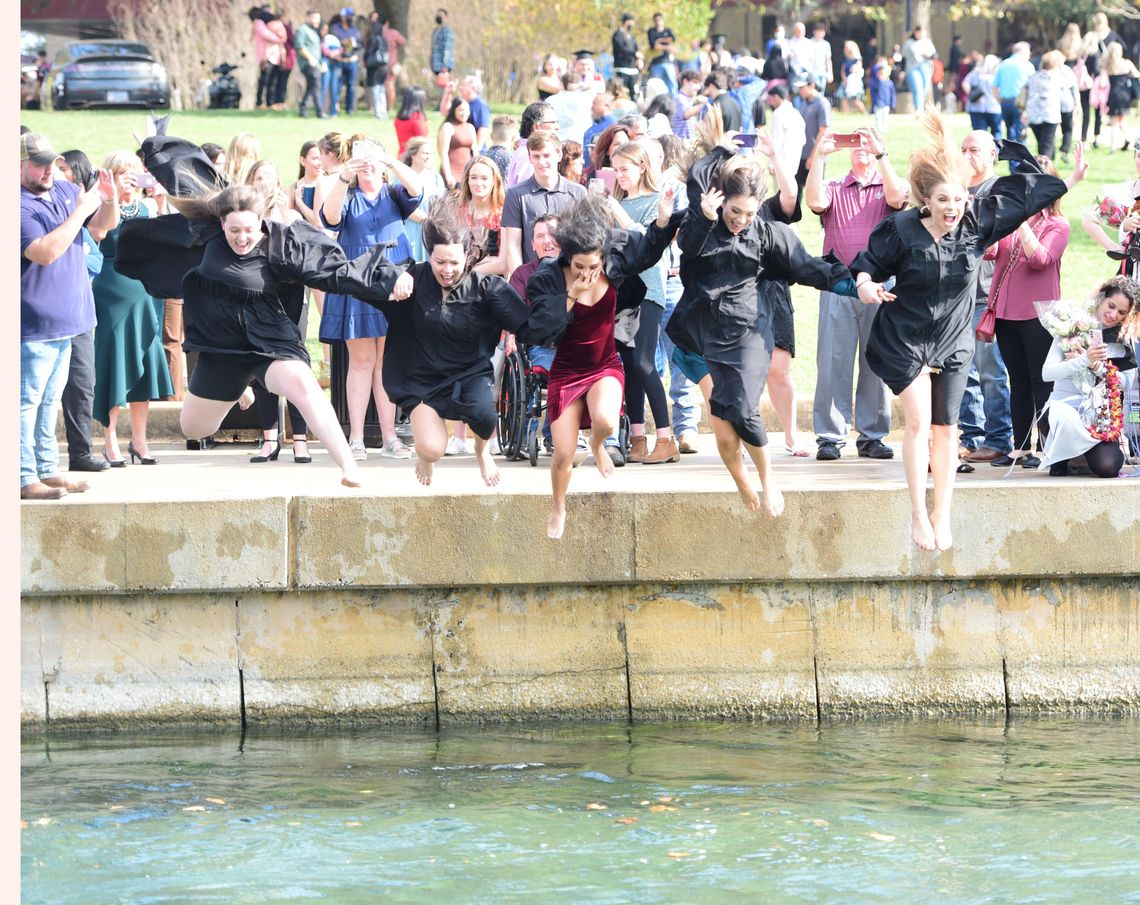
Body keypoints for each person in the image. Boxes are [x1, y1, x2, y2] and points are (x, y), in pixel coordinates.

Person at [851, 112, 1070, 552]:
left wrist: (1007, 150)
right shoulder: (901, 229)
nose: (952, 208)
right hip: (907, 336)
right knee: (918, 423)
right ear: (926, 202)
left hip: (952, 340)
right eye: (943, 200)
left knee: (946, 429)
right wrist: (865, 285)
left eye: (958, 200)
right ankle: (917, 512)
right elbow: (866, 265)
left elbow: (1046, 188)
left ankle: (941, 513)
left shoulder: (976, 224)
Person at [666, 130, 852, 513]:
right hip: (699, 335)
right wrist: (721, 151)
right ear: (721, 203)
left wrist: (856, 285)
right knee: (722, 428)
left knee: (742, 408)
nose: (741, 220)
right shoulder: (700, 223)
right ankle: (742, 481)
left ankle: (768, 480)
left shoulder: (766, 233)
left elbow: (809, 268)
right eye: (735, 212)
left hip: (745, 332)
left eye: (749, 214)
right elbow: (696, 202)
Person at [526, 192, 679, 537]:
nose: (587, 273)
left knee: (607, 423)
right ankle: (558, 506)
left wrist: (663, 223)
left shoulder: (614, 261)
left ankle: (597, 444)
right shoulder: (550, 277)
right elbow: (539, 328)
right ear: (567, 258)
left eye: (593, 267)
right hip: (565, 371)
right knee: (563, 454)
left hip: (603, 365)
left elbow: (649, 250)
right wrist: (571, 296)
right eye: (579, 267)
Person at [363, 209, 534, 487]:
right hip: (422, 380)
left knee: (485, 416)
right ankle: (425, 456)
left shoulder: (485, 289)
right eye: (439, 261)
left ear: (467, 256)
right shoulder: (414, 279)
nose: (447, 269)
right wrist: (395, 276)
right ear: (428, 254)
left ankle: (481, 451)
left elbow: (528, 323)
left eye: (454, 262)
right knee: (432, 448)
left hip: (468, 374)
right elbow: (367, 277)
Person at [21, 133, 116, 499]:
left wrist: (108, 200)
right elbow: (45, 252)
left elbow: (104, 224)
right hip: (34, 326)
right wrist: (80, 209)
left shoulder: (62, 190)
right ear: (18, 165)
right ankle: (23, 478)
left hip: (72, 321)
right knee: (25, 405)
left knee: (48, 403)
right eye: (39, 163)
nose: (49, 170)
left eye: (51, 162)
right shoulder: (19, 205)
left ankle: (47, 470)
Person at [806, 127, 908, 462]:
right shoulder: (835, 186)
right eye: (856, 143)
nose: (861, 148)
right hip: (838, 282)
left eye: (868, 143)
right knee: (833, 359)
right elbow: (815, 202)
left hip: (881, 285)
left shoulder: (888, 183)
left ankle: (873, 434)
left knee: (875, 359)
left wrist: (881, 155)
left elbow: (898, 199)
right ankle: (830, 436)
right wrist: (819, 156)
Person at [319, 138, 422, 460]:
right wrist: (343, 177)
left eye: (372, 159)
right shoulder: (347, 193)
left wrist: (389, 160)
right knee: (361, 361)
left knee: (387, 361)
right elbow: (330, 219)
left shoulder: (394, 194)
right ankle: (356, 438)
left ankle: (390, 436)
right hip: (360, 278)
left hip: (396, 277)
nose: (368, 165)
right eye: (361, 159)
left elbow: (417, 189)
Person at [986, 152, 1079, 468]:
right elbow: (990, 253)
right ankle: (1021, 447)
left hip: (1041, 316)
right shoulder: (1009, 221)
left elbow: (1040, 259)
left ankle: (1048, 449)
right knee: (1018, 381)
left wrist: (1022, 223)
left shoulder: (1058, 225)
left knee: (1042, 382)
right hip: (1006, 314)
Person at [90, 150, 174, 466]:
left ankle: (139, 440)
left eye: (133, 170)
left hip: (145, 292)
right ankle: (109, 437)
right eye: (122, 170)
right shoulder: (101, 205)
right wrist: (112, 195)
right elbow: (100, 233)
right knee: (113, 363)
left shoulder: (146, 206)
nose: (129, 176)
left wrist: (162, 205)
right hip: (111, 291)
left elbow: (160, 244)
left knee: (145, 364)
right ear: (110, 174)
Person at [603, 140, 677, 464]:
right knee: (629, 367)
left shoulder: (654, 202)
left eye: (625, 169)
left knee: (646, 362)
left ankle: (666, 438)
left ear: (642, 167)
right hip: (621, 292)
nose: (619, 175)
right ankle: (636, 437)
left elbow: (646, 242)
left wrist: (616, 212)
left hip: (649, 291)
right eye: (615, 170)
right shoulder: (614, 204)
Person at [1040, 279, 1138, 477]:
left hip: (1099, 418)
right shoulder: (1072, 327)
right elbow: (1047, 373)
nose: (1113, 315)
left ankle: (1080, 454)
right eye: (1111, 306)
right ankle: (1062, 456)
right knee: (1062, 419)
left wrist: (1097, 366)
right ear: (1102, 298)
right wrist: (1083, 360)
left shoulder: (1124, 341)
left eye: (1121, 312)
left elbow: (1126, 384)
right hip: (1064, 409)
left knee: (1108, 466)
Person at [955, 130, 1013, 465]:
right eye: (962, 149)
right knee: (963, 372)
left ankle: (998, 438)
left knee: (991, 371)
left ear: (992, 153)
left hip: (987, 296)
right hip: (956, 296)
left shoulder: (998, 191)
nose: (966, 156)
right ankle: (971, 436)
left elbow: (995, 243)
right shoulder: (955, 191)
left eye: (973, 149)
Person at [54, 149, 111, 472]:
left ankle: (81, 453)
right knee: (41, 392)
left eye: (64, 168)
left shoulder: (85, 219)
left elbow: (104, 228)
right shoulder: (39, 211)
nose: (59, 174)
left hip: (80, 315)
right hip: (43, 317)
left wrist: (107, 199)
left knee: (81, 386)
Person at [502, 131, 587, 276]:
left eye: (546, 155)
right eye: (536, 156)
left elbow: (584, 240)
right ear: (529, 158)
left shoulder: (578, 193)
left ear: (559, 155)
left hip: (569, 276)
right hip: (533, 277)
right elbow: (513, 246)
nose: (541, 162)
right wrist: (521, 283)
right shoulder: (516, 194)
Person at [402, 137, 447, 262]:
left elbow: (442, 204)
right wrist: (429, 221)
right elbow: (405, 207)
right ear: (413, 155)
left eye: (431, 153)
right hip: (410, 232)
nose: (429, 157)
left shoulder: (436, 178)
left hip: (432, 233)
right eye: (425, 153)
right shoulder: (403, 176)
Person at [506, 101, 559, 188]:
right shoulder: (526, 155)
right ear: (536, 127)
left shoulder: (527, 151)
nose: (557, 127)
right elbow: (527, 194)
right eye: (553, 122)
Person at [1026, 52, 1064, 160]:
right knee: (1047, 143)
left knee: (1041, 142)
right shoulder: (1056, 77)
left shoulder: (1033, 77)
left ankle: (1047, 163)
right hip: (1050, 114)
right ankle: (1046, 169)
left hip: (1033, 115)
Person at [1103, 42, 1139, 153]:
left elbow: (1103, 82)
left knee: (1114, 122)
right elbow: (1137, 74)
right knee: (1121, 119)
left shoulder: (1108, 65)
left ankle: (1113, 148)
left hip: (1113, 94)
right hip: (1125, 94)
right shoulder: (1126, 63)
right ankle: (1129, 140)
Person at [793, 77, 830, 185]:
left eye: (802, 87)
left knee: (815, 188)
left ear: (812, 85)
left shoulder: (822, 103)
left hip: (814, 155)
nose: (799, 90)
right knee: (796, 190)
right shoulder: (803, 102)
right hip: (801, 153)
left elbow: (823, 131)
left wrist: (813, 156)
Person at [995, 42, 1034, 143]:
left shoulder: (1003, 64)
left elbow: (994, 86)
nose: (1029, 54)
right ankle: (1020, 158)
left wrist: (999, 100)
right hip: (1020, 104)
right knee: (1020, 133)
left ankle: (1012, 158)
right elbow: (1032, 86)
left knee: (1010, 133)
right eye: (1028, 51)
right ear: (1023, 51)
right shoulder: (1027, 65)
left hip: (1005, 102)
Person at [766, 85, 806, 181]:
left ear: (776, 97)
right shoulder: (796, 113)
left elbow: (777, 140)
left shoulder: (778, 113)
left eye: (770, 99)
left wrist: (771, 163)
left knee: (780, 194)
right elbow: (803, 140)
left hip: (781, 161)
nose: (770, 102)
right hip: (794, 160)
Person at [437, 97, 476, 190]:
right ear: (454, 110)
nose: (464, 113)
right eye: (461, 110)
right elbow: (443, 153)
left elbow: (475, 152)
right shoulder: (448, 127)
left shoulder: (470, 127)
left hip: (467, 172)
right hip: (453, 173)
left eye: (467, 110)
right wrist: (448, 175)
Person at [328, 7, 361, 117]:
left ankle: (349, 109)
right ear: (342, 17)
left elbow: (360, 44)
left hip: (352, 61)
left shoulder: (355, 30)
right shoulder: (334, 28)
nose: (350, 18)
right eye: (348, 16)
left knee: (351, 86)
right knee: (337, 85)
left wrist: (354, 46)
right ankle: (334, 108)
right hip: (339, 61)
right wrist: (343, 43)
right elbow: (331, 42)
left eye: (351, 16)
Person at [294, 9, 325, 118]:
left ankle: (303, 109)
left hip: (316, 64)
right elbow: (300, 47)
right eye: (316, 18)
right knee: (316, 86)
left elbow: (317, 50)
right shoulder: (302, 30)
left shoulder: (314, 31)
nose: (318, 21)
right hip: (308, 64)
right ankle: (320, 112)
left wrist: (321, 63)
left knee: (312, 87)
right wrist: (310, 59)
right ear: (308, 18)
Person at [961, 54, 1002, 138]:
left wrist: (972, 95)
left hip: (976, 107)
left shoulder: (976, 73)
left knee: (979, 136)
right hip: (994, 107)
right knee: (996, 133)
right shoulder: (997, 75)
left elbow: (965, 83)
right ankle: (996, 151)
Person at [901, 26, 936, 113]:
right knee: (917, 88)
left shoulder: (927, 42)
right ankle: (918, 108)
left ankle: (921, 107)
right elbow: (904, 57)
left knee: (924, 89)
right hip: (912, 67)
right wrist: (902, 70)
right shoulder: (909, 43)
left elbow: (934, 55)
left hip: (925, 66)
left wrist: (928, 55)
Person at [363, 11, 390, 118]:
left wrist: (365, 59)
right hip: (383, 66)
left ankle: (378, 112)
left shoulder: (373, 39)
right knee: (382, 89)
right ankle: (383, 111)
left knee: (375, 89)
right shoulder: (384, 39)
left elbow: (368, 52)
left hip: (374, 67)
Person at [647, 12, 678, 95]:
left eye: (660, 20)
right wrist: (667, 47)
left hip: (668, 62)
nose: (658, 22)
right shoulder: (651, 31)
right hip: (656, 63)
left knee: (672, 84)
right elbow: (654, 46)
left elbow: (672, 39)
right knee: (656, 85)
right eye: (656, 20)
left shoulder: (668, 30)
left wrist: (660, 40)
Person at [582, 93, 615, 169]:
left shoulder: (613, 126)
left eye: (595, 103)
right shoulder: (596, 125)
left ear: (606, 105)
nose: (592, 107)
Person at [612, 12, 641, 99]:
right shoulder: (618, 34)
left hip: (632, 68)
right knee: (621, 93)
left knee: (634, 94)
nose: (633, 24)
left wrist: (639, 58)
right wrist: (634, 53)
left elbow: (636, 48)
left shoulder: (631, 35)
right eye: (632, 21)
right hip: (622, 68)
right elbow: (621, 49)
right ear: (627, 21)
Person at [394, 86, 429, 157]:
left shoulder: (398, 117)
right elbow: (423, 139)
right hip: (415, 157)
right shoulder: (417, 118)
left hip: (401, 154)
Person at [870, 58, 897, 134]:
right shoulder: (875, 82)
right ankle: (879, 129)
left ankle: (884, 129)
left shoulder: (890, 83)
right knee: (878, 117)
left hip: (886, 103)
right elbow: (872, 91)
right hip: (878, 103)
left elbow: (893, 94)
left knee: (885, 117)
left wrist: (893, 103)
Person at [839, 42, 866, 114]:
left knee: (856, 100)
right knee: (843, 98)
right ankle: (845, 113)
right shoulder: (845, 59)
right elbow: (843, 70)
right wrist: (844, 79)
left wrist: (854, 69)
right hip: (846, 81)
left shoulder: (857, 59)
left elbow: (858, 69)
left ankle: (864, 113)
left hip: (854, 82)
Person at [430, 8, 454, 78]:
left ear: (446, 17)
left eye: (441, 16)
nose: (438, 17)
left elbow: (447, 49)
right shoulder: (435, 31)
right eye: (437, 15)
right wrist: (431, 64)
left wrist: (445, 66)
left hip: (443, 67)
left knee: (444, 87)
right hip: (435, 66)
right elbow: (433, 49)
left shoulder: (447, 31)